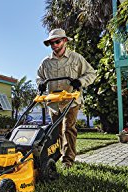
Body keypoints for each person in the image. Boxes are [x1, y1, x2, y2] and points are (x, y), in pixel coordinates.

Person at [36, 28, 96, 168]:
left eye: (57, 42)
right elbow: (39, 77)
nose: (54, 45)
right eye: (51, 43)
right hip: (54, 102)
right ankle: (55, 157)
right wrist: (40, 84)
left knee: (68, 129)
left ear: (64, 41)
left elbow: (91, 73)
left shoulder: (76, 58)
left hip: (71, 100)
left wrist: (80, 82)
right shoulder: (46, 62)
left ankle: (68, 161)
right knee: (55, 132)